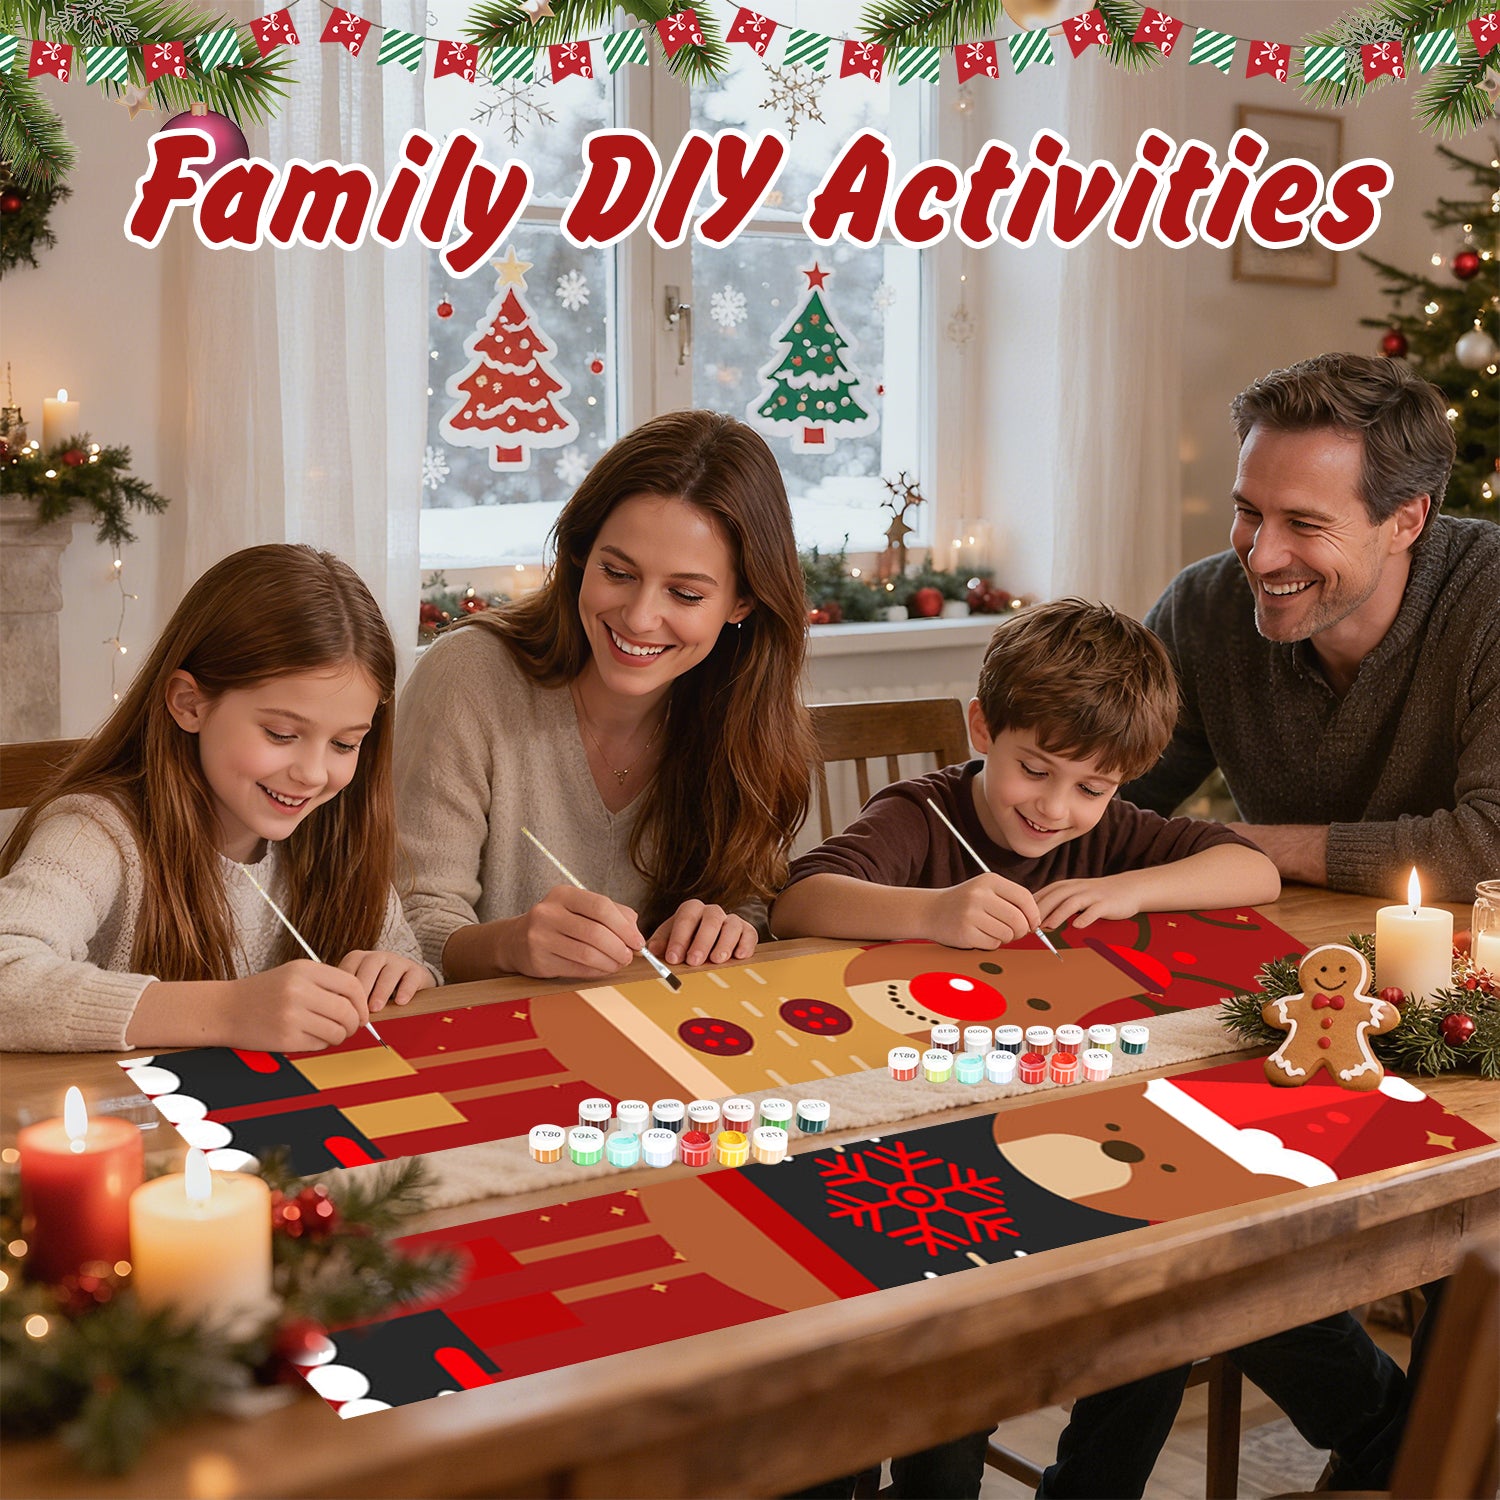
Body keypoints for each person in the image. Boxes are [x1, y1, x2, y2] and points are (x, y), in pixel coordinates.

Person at [772, 598, 1280, 1500]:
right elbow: (801, 898)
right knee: (958, 1379)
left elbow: (1254, 870)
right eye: (1034, 771)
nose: (1054, 809)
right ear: (983, 727)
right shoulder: (922, 816)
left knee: (1157, 1307)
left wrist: (1128, 890)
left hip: (1066, 1138)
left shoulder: (1108, 837)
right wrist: (930, 912)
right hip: (918, 1152)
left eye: (1093, 789)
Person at [395, 409, 815, 983]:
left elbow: (748, 901)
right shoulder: (469, 676)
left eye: (686, 594)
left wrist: (728, 925)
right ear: (580, 556)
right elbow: (406, 925)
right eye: (617, 573)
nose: (640, 617)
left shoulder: (745, 708)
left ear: (742, 604)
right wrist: (510, 944)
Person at [0, 544, 435, 1053]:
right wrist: (229, 1011)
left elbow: (408, 964)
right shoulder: (93, 833)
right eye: (279, 733)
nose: (313, 774)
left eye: (344, 744)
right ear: (190, 704)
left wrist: (406, 975)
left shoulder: (338, 832)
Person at [1122, 352, 1499, 901]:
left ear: (1406, 521)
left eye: (1304, 523)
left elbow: (1491, 844)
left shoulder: (1487, 601)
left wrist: (1238, 845)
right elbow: (1101, 788)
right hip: (1279, 960)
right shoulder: (1202, 609)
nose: (1262, 556)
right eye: (1249, 512)